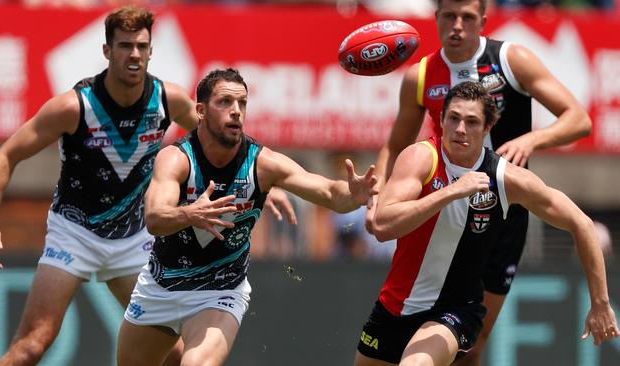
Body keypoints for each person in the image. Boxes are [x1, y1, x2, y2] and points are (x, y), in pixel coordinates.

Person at [0, 7, 293, 365]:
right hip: (74, 233)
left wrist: (264, 182)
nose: (135, 54)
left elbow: (217, 141)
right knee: (33, 345)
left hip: (133, 239)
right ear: (107, 51)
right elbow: (6, 156)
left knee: (173, 355)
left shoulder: (167, 100)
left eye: (142, 46)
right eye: (125, 46)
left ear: (152, 51)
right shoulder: (74, 106)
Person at [367, 0, 592, 364]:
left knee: (473, 342)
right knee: (427, 322)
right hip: (446, 208)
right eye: (449, 16)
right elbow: (395, 146)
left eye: (467, 17)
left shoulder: (510, 60)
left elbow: (578, 118)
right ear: (435, 18)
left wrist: (532, 139)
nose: (457, 26)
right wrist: (376, 196)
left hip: (502, 215)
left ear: (483, 21)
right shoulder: (421, 75)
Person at [116, 68, 378, 366]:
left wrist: (353, 195)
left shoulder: (262, 163)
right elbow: (154, 218)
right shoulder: (176, 158)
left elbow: (330, 193)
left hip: (220, 291)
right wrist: (191, 212)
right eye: (225, 102)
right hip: (161, 287)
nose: (236, 111)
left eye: (242, 103)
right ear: (200, 111)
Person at [355, 81, 618, 366]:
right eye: (453, 118)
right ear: (441, 119)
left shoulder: (505, 178)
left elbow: (581, 223)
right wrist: (451, 192)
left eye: (472, 122)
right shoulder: (420, 158)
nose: (460, 129)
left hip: (453, 310)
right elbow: (383, 226)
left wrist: (600, 303)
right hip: (393, 306)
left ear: (487, 128)